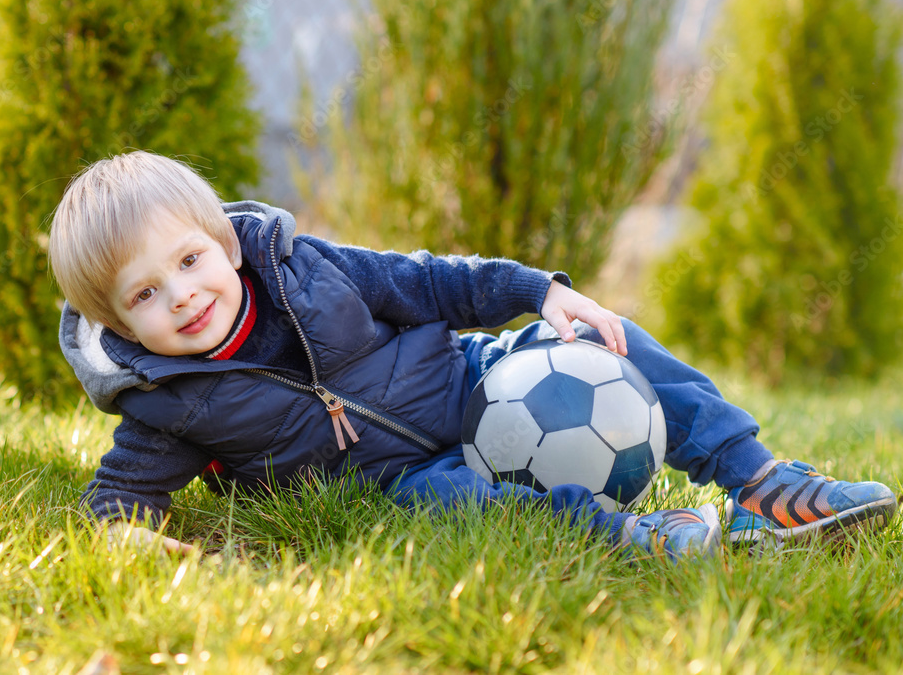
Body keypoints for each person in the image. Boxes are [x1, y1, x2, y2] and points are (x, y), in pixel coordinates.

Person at [50, 151, 897, 561]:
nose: (182, 297)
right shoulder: (167, 401)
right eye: (145, 295)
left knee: (605, 342)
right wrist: (128, 537)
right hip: (397, 477)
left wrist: (541, 293)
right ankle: (637, 537)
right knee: (455, 502)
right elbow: (118, 496)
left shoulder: (306, 270)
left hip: (478, 382)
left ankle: (760, 484)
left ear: (226, 245)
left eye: (189, 262)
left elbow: (432, 282)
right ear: (119, 323)